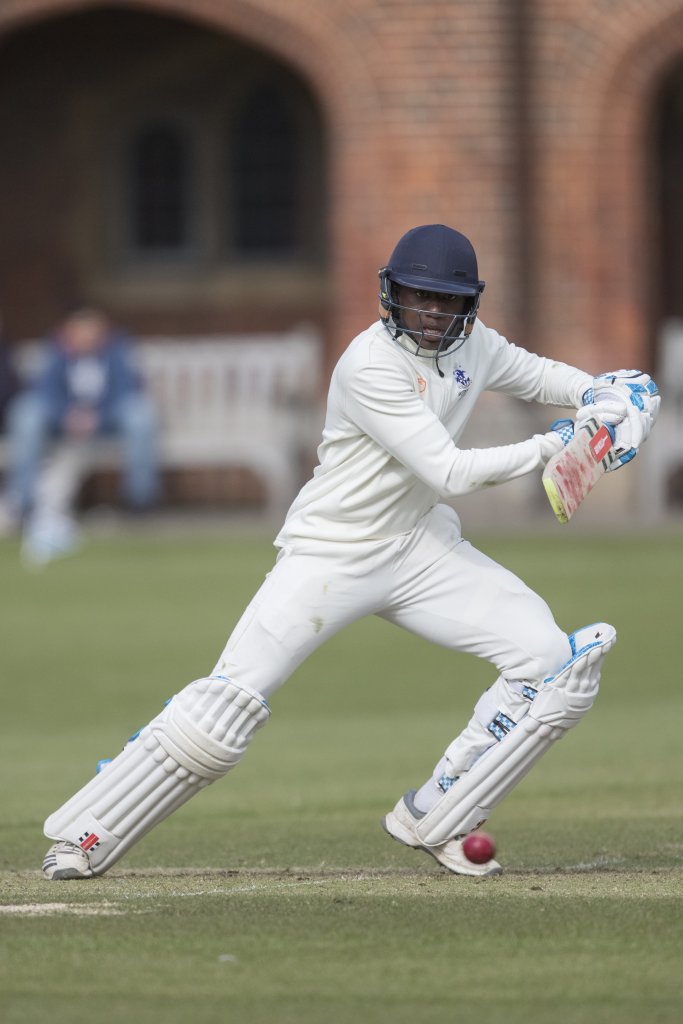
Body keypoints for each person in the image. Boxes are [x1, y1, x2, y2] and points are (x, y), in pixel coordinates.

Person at [41, 225, 659, 880]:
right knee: (227, 705)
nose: (427, 314)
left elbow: (537, 375)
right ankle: (89, 831)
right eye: (415, 298)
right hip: (329, 553)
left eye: (442, 302)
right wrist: (555, 443)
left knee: (548, 662)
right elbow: (448, 470)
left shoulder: (473, 346)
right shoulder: (369, 364)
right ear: (391, 296)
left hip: (418, 545)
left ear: (466, 304)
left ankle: (437, 809)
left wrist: (598, 394)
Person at [0, 305, 159, 562]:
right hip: (64, 422)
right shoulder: (58, 351)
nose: (86, 336)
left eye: (92, 330)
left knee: (140, 415)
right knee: (27, 413)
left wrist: (97, 416)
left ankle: (139, 500)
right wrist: (67, 415)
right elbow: (45, 390)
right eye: (80, 331)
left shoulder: (116, 351)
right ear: (70, 332)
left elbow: (128, 389)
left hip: (107, 421)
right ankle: (24, 501)